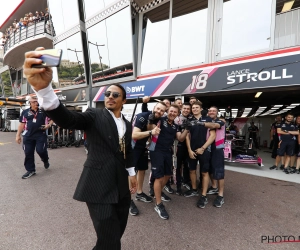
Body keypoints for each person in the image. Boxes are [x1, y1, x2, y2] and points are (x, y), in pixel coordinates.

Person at [23, 47, 137, 250]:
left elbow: (127, 149)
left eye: (116, 94)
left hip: (121, 187)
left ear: (123, 100)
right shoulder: (94, 115)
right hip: (97, 186)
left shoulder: (127, 124)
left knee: (116, 232)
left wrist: (131, 173)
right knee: (110, 240)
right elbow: (68, 120)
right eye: (108, 93)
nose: (110, 96)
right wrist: (45, 91)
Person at [148, 105, 189, 219]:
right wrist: (151, 119)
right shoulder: (160, 120)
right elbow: (150, 127)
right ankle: (158, 204)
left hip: (167, 151)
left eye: (175, 112)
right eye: (171, 111)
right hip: (156, 150)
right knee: (159, 177)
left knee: (167, 175)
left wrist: (187, 128)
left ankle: (158, 194)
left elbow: (180, 138)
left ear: (177, 114)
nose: (172, 113)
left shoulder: (175, 126)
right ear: (167, 111)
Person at [130, 101, 167, 216]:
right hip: (133, 147)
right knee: (131, 172)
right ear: (154, 107)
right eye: (158, 109)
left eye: (162, 110)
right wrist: (151, 132)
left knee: (142, 170)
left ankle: (140, 193)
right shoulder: (142, 116)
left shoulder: (158, 120)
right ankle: (128, 199)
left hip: (143, 147)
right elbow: (134, 135)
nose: (159, 111)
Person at [184, 101, 216, 209]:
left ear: (201, 109)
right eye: (193, 108)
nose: (195, 109)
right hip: (192, 150)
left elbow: (213, 135)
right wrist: (189, 149)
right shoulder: (189, 120)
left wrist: (203, 148)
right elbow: (187, 136)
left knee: (204, 172)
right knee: (192, 170)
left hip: (204, 150)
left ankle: (203, 195)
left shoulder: (208, 120)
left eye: (197, 107)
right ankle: (194, 189)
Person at [16, 96, 53, 179]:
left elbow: (52, 119)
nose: (36, 103)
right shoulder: (25, 112)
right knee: (28, 152)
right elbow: (22, 124)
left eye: (37, 101)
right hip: (28, 136)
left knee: (41, 150)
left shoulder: (43, 111)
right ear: (30, 103)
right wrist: (18, 135)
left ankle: (45, 160)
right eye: (34, 102)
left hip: (40, 134)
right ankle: (31, 170)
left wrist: (48, 125)